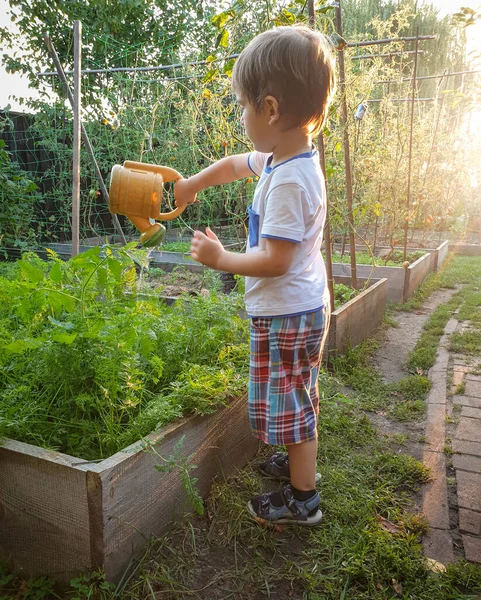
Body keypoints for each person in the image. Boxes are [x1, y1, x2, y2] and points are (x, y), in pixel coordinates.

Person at [174, 25, 336, 526]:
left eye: (243, 106)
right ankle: (296, 463)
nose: (241, 116)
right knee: (294, 393)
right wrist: (193, 184)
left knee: (292, 400)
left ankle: (302, 498)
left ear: (269, 109)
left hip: (289, 312)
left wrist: (220, 258)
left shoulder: (289, 179)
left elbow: (274, 260)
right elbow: (233, 164)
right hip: (295, 308)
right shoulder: (279, 158)